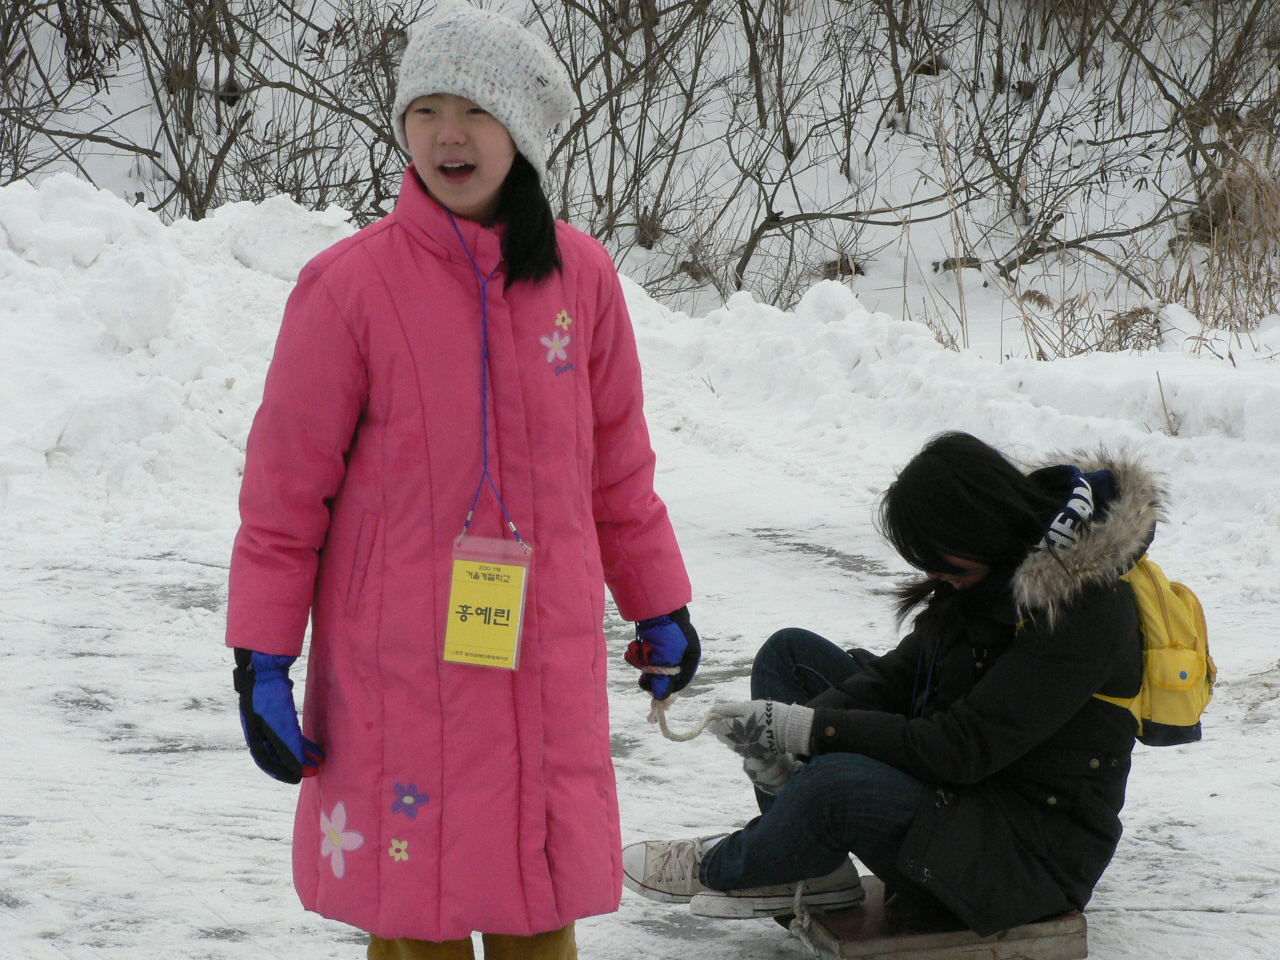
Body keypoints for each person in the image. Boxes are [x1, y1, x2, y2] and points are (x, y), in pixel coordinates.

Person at [225, 5, 698, 958]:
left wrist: (660, 605)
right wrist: (260, 658)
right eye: (426, 108)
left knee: (535, 907)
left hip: (542, 667)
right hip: (398, 674)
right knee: (415, 917)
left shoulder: (584, 281)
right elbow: (283, 500)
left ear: (520, 129)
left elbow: (619, 471)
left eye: (475, 111)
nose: (447, 134)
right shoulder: (350, 288)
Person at [623, 431, 1157, 937]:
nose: (929, 577)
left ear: (980, 528)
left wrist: (811, 733)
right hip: (966, 801)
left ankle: (724, 864)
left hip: (1020, 854)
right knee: (789, 658)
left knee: (838, 785)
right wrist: (783, 734)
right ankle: (808, 868)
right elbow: (898, 677)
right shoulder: (996, 569)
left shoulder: (1083, 610)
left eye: (937, 561)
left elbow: (961, 748)